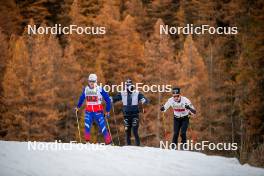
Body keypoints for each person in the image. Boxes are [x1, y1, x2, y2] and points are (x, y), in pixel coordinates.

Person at [75, 74, 112, 144]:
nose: (91, 83)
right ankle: (87, 142)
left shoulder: (100, 89)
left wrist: (107, 110)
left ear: (96, 81)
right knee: (87, 126)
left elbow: (108, 100)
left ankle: (109, 142)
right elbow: (81, 98)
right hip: (89, 112)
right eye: (90, 81)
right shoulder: (86, 89)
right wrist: (78, 106)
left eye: (93, 81)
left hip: (98, 112)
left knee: (103, 127)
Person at [112, 79, 148, 146]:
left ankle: (138, 146)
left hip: (135, 115)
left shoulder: (136, 93)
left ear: (132, 85)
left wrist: (144, 100)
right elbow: (115, 99)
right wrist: (110, 99)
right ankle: (128, 147)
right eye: (126, 85)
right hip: (126, 115)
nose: (127, 87)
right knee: (127, 132)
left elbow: (145, 99)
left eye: (129, 85)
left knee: (135, 131)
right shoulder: (122, 93)